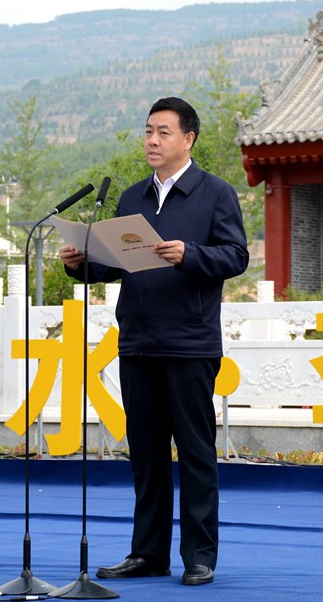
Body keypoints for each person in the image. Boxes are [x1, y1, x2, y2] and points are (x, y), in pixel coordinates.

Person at [60, 97, 249, 586]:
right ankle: (148, 553)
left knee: (195, 452)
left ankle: (199, 556)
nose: (152, 140)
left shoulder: (215, 193)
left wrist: (190, 254)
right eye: (148, 131)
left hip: (189, 343)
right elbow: (115, 264)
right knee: (145, 455)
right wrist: (81, 265)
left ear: (189, 139)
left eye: (163, 132)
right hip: (138, 343)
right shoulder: (132, 198)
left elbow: (236, 256)